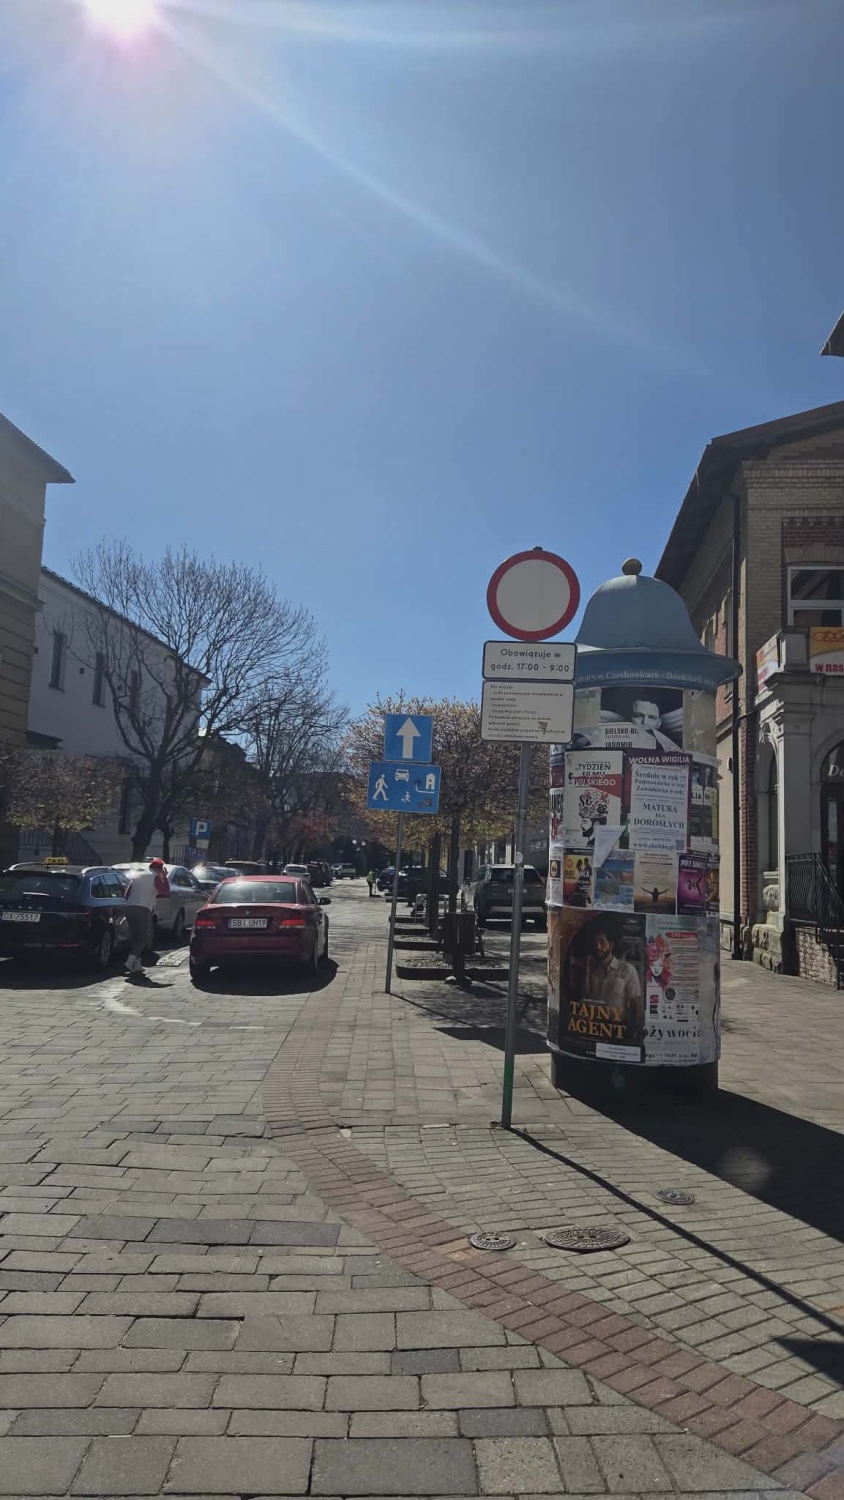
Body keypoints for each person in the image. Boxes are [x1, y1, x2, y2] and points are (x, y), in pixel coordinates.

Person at [124, 858, 170, 976]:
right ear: (160, 869)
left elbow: (126, 894)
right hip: (143, 909)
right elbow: (165, 892)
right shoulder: (155, 877)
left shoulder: (138, 876)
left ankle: (137, 965)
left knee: (135, 937)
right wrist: (165, 878)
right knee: (144, 939)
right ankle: (130, 961)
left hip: (129, 908)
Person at [584, 921, 641, 1009]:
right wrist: (588, 969)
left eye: (602, 942)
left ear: (611, 945)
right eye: (596, 943)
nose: (598, 947)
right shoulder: (593, 972)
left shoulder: (627, 970)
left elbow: (636, 1003)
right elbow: (586, 998)